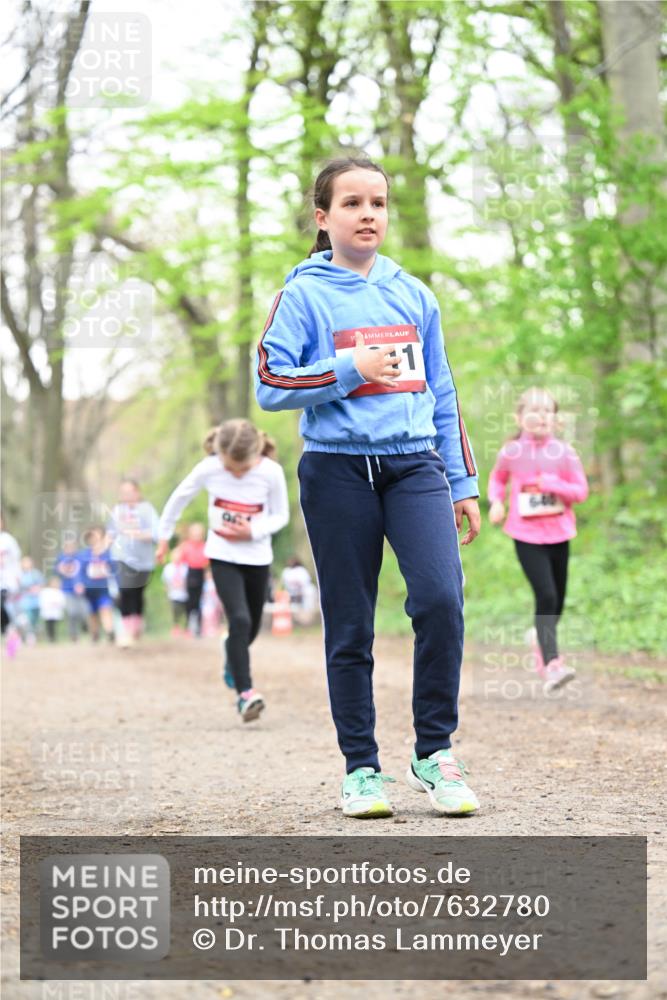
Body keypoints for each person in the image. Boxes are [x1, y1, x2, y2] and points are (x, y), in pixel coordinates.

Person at [255, 155, 481, 819]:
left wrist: (461, 480)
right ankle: (361, 768)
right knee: (350, 625)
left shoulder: (414, 295)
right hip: (337, 471)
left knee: (440, 600)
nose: (367, 214)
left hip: (415, 468)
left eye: (377, 203)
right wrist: (348, 367)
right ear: (322, 218)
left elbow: (441, 391)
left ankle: (433, 752)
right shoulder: (302, 294)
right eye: (351, 203)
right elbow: (272, 384)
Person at [156, 419, 289, 721]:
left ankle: (231, 655)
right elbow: (178, 499)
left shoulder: (271, 472)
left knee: (250, 629)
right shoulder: (210, 467)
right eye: (230, 468)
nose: (236, 473)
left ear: (256, 454)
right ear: (219, 455)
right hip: (222, 555)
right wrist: (163, 537)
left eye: (242, 468)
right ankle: (246, 694)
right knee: (239, 619)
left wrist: (252, 530)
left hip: (257, 557)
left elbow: (281, 516)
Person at [488, 387, 589, 694]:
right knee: (545, 596)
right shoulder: (511, 452)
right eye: (533, 410)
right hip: (526, 534)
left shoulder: (566, 453)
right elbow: (497, 479)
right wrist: (496, 502)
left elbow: (581, 492)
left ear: (556, 419)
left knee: (557, 600)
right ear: (519, 417)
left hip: (559, 533)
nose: (541, 416)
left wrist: (553, 484)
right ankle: (552, 665)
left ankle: (539, 637)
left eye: (547, 411)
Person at [107, 479, 160, 647]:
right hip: (121, 556)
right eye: (123, 493)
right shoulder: (117, 510)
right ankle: (125, 632)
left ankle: (135, 626)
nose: (127, 496)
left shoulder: (147, 509)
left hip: (144, 561)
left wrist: (139, 534)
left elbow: (157, 533)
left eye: (130, 492)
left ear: (138, 492)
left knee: (137, 594)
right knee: (125, 590)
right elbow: (111, 533)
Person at [79, 526, 116, 643]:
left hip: (103, 587)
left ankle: (110, 632)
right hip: (89, 588)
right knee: (92, 612)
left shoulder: (108, 553)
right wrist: (79, 584)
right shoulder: (84, 555)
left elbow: (115, 569)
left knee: (106, 608)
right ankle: (94, 634)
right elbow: (80, 572)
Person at [55, 538, 88, 640]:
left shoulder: (81, 558)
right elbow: (57, 572)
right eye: (68, 547)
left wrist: (83, 584)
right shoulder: (61, 558)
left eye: (72, 546)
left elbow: (86, 571)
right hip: (67, 589)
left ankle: (86, 626)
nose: (70, 549)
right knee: (71, 612)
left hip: (81, 590)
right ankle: (73, 634)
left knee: (85, 612)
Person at [180, 523, 208, 637]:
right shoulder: (186, 546)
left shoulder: (205, 546)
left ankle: (198, 627)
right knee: (189, 601)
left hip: (200, 573)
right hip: (189, 573)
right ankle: (188, 625)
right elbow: (181, 562)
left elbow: (207, 561)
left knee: (199, 601)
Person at [161, 544, 189, 636]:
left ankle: (186, 628)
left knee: (185, 611)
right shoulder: (168, 568)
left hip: (185, 594)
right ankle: (176, 627)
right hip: (173, 594)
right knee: (175, 611)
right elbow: (165, 582)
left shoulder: (186, 567)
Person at [281, 557, 318, 625]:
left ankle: (308, 619)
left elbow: (306, 583)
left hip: (303, 591)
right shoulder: (286, 571)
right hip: (292, 593)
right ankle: (294, 619)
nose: (291, 562)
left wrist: (300, 592)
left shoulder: (301, 570)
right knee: (284, 596)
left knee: (310, 591)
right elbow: (285, 585)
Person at [0, 514, 21, 637]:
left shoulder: (8, 539)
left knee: (6, 605)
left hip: (7, 579)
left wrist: (18, 575)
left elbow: (16, 559)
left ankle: (11, 629)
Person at [17, 556, 44, 643]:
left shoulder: (36, 573)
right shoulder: (20, 575)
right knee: (27, 619)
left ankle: (34, 635)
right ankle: (28, 636)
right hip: (25, 602)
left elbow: (41, 584)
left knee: (34, 620)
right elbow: (19, 587)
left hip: (36, 601)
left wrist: (37, 589)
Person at [39, 577, 66, 642]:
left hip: (56, 611)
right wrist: (49, 604)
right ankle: (50, 637)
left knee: (55, 625)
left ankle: (54, 637)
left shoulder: (59, 592)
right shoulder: (45, 591)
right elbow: (42, 601)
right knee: (48, 625)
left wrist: (57, 604)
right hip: (48, 611)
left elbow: (62, 602)